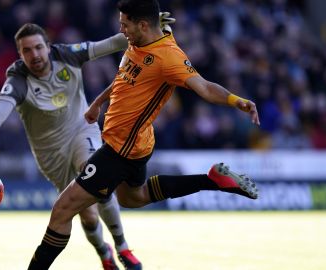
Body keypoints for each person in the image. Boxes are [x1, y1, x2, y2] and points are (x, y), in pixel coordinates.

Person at [26, 0, 260, 269]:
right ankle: (213, 180)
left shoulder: (169, 57)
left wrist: (235, 100)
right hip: (135, 143)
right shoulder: (138, 41)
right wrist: (98, 102)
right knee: (131, 198)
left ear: (143, 25)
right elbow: (124, 76)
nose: (121, 29)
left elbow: (205, 88)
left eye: (125, 24)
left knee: (62, 209)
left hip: (120, 150)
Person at [0, 17, 177, 269]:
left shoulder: (68, 55)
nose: (35, 54)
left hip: (81, 131)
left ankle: (122, 247)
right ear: (20, 54)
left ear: (48, 46)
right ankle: (103, 252)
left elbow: (110, 44)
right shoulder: (17, 80)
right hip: (50, 155)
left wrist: (144, 27)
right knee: (88, 214)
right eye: (27, 50)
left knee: (99, 183)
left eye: (38, 47)